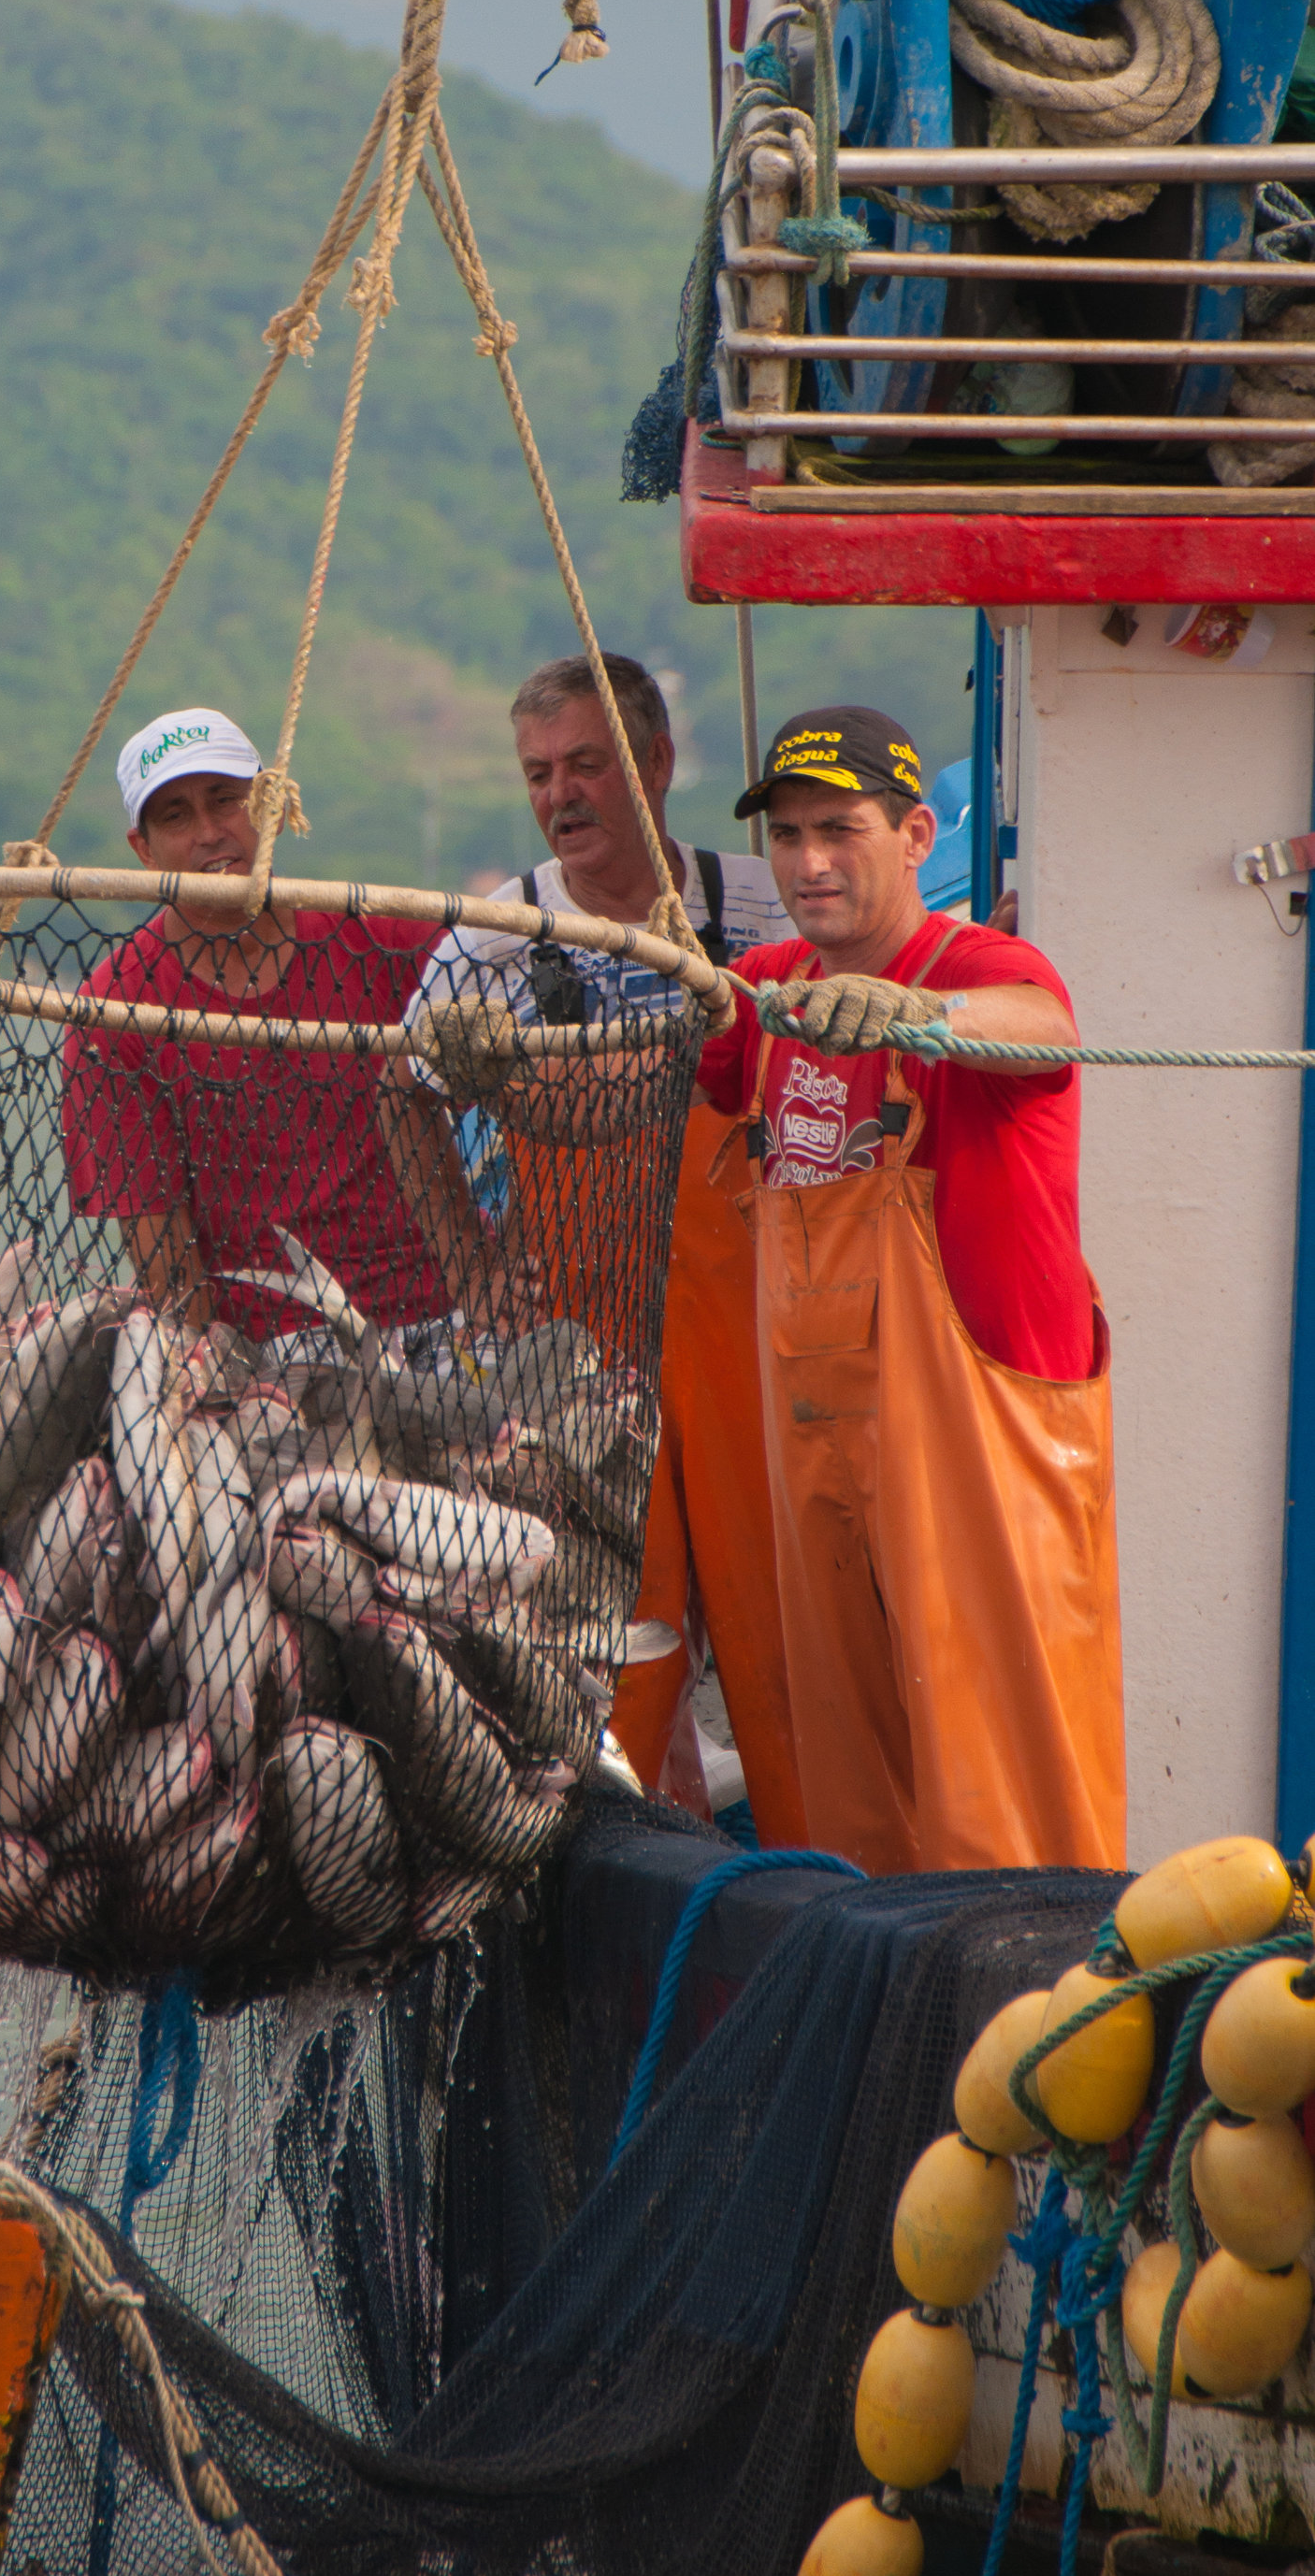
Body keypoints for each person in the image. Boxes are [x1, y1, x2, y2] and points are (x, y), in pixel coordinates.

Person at [698, 703, 1121, 1874]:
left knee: (1009, 1789)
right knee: (857, 1791)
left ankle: (1042, 2027)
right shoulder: (770, 987)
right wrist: (515, 1055)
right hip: (824, 1441)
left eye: (839, 828)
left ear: (917, 833)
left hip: (986, 1442)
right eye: (785, 835)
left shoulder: (979, 966)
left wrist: (916, 1014)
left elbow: (1042, 1028)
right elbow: (650, 1056)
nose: (807, 862)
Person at [389, 653, 803, 1843]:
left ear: (656, 764)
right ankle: (652, 1848)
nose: (560, 795)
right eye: (537, 774)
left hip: (758, 1318)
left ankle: (814, 1839)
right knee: (620, 1619)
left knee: (777, 1603)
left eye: (584, 764)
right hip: (586, 1336)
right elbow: (395, 1087)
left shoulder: (762, 904)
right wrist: (474, 1276)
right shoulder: (494, 939)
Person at [61, 706, 463, 1335]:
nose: (209, 832)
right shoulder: (113, 1009)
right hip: (262, 1360)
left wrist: (495, 1270)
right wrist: (206, 1385)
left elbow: (523, 1067)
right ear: (142, 849)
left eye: (225, 800)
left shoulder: (388, 937)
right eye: (175, 816)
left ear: (270, 807)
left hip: (442, 1324)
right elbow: (165, 1254)